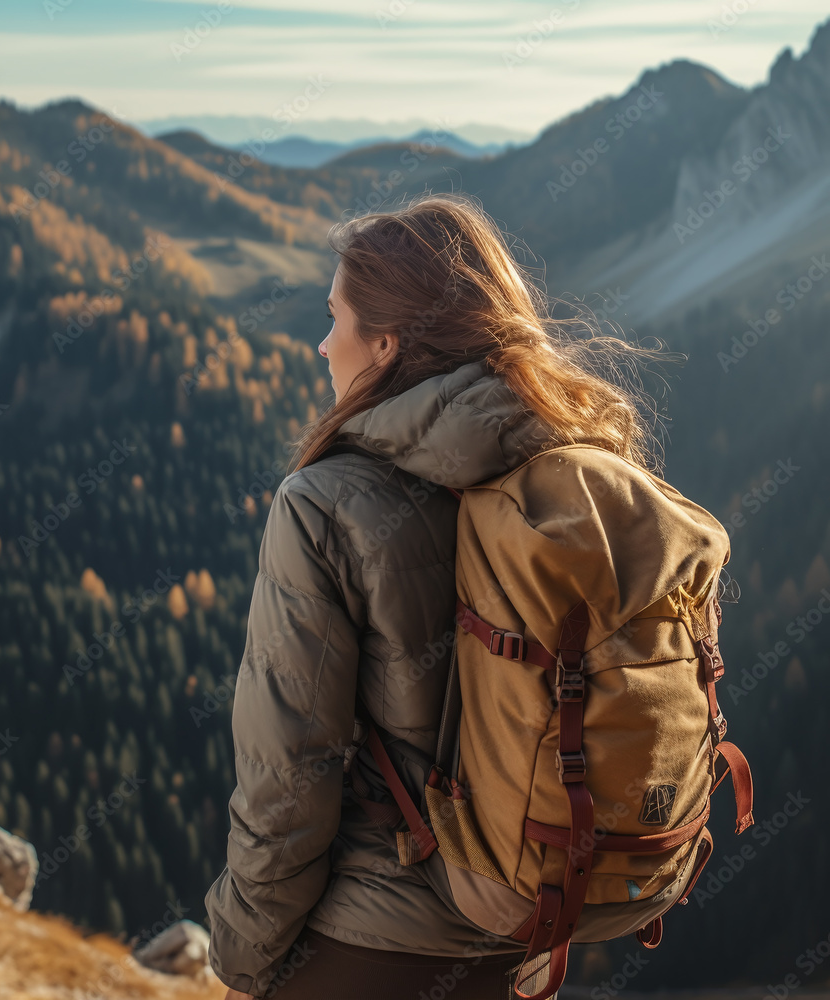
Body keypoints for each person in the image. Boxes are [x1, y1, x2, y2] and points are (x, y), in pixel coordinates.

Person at [204, 191, 666, 999]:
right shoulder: (580, 470)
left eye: (335, 318)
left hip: (374, 944)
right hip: (523, 935)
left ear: (384, 345)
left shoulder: (323, 504)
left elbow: (288, 772)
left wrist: (242, 958)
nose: (322, 346)